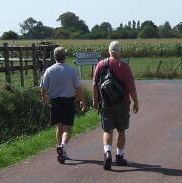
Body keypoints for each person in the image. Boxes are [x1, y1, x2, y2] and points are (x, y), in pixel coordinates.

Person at [92, 40, 139, 170]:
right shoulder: (124, 66)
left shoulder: (101, 64)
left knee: (107, 130)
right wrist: (136, 102)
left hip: (106, 102)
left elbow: (95, 84)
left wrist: (95, 101)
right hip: (122, 102)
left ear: (109, 51)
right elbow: (131, 87)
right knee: (121, 130)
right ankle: (119, 156)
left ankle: (107, 153)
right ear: (119, 51)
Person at [40, 46, 86, 164]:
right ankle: (63, 146)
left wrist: (44, 97)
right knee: (68, 129)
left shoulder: (49, 70)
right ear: (64, 57)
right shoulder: (71, 70)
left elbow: (44, 88)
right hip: (68, 102)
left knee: (59, 128)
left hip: (55, 102)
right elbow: (78, 88)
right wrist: (82, 101)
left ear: (55, 57)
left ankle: (61, 150)